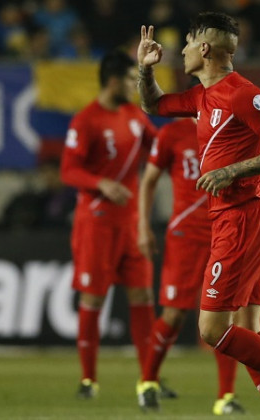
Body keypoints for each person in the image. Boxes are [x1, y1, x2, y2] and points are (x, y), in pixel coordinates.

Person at [137, 12, 260, 420]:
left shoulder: (242, 94)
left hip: (243, 218)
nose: (183, 51)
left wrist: (232, 170)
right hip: (234, 218)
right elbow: (154, 104)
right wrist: (145, 69)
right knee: (248, 329)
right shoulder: (202, 96)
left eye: (188, 43)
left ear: (204, 49)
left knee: (212, 330)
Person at [61, 49, 158, 399]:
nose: (136, 86)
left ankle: (149, 379)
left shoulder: (135, 115)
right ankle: (88, 380)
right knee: (94, 298)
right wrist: (100, 183)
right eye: (132, 80)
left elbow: (158, 147)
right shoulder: (86, 121)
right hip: (97, 223)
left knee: (143, 295)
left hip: (131, 223)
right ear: (114, 81)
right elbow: (68, 169)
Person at [136, 117, 243, 415]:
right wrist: (142, 227)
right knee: (174, 314)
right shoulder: (173, 132)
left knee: (223, 316)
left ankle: (226, 397)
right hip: (185, 235)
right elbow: (149, 180)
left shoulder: (231, 127)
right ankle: (147, 382)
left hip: (224, 232)